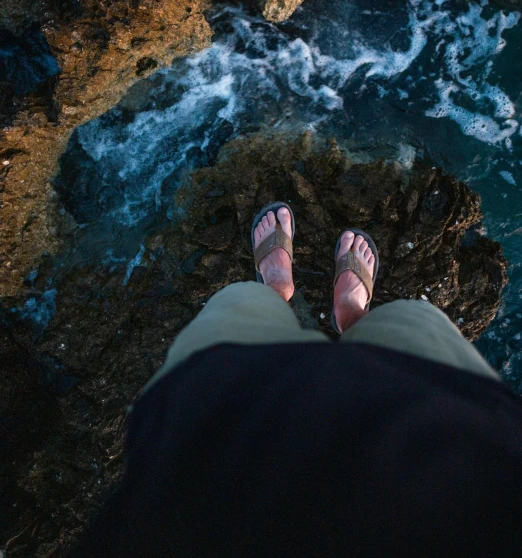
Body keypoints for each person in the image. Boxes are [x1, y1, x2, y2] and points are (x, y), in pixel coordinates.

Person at [71, 203, 522, 557]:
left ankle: (274, 291)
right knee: (415, 323)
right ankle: (352, 316)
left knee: (235, 318)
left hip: (224, 454)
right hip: (460, 459)